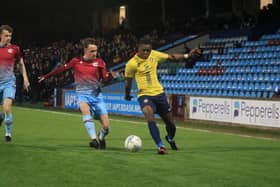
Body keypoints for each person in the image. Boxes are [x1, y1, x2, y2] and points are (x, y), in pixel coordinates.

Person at [124, 39, 201, 154]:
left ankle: (169, 138)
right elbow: (128, 82)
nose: (146, 52)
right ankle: (160, 146)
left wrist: (187, 55)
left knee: (171, 124)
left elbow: (171, 57)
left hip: (159, 94)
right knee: (149, 115)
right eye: (143, 50)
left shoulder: (154, 55)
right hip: (144, 95)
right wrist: (127, 95)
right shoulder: (131, 64)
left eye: (148, 50)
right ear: (137, 50)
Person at [39, 37, 115, 149]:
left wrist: (110, 77)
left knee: (107, 126)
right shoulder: (76, 61)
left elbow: (105, 78)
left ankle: (101, 137)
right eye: (92, 51)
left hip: (97, 96)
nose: (95, 54)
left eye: (96, 51)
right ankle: (94, 140)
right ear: (85, 50)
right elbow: (61, 69)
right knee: (85, 110)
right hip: (82, 95)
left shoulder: (100, 62)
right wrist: (46, 76)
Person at [0, 25, 30, 142]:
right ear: (0, 35)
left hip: (9, 82)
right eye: (6, 35)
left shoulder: (15, 49)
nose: (9, 38)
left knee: (7, 107)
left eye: (10, 36)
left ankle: (8, 133)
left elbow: (21, 64)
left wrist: (25, 79)